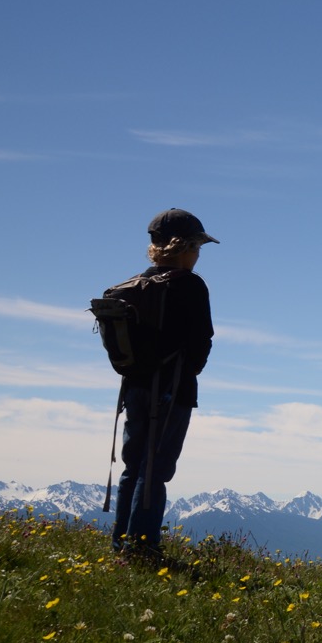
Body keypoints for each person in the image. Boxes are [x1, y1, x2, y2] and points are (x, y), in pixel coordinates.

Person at [110, 208, 217, 560]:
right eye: (198, 247)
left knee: (134, 464)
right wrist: (186, 373)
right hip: (173, 390)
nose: (199, 255)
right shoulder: (190, 286)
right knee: (155, 470)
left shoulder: (136, 286)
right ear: (185, 247)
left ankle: (121, 542)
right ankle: (141, 547)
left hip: (135, 388)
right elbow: (202, 342)